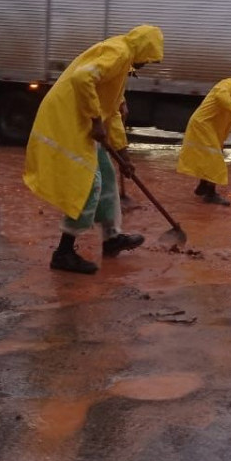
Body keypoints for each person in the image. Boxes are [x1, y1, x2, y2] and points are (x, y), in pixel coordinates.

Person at [24, 25, 165, 275]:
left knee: (108, 177)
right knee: (89, 184)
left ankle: (111, 239)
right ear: (143, 48)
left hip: (83, 122)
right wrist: (95, 120)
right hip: (67, 120)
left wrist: (124, 154)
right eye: (149, 58)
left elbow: (111, 113)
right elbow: (82, 78)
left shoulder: (123, 65)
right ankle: (63, 252)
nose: (147, 64)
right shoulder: (119, 52)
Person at [177, 69, 231, 206]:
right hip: (203, 124)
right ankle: (210, 194)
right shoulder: (228, 84)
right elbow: (221, 96)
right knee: (216, 160)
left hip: (210, 128)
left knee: (210, 157)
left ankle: (202, 186)